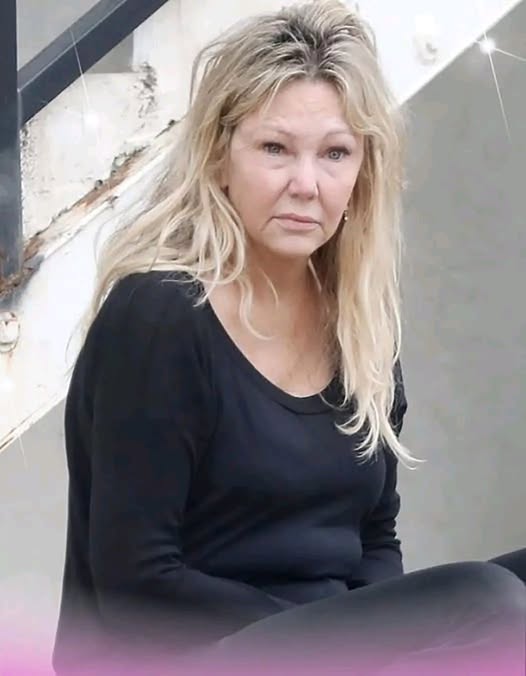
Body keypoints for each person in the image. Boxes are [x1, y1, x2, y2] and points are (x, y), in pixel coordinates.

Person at [52, 1, 526, 674]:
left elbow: (374, 540)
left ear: (362, 172)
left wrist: (378, 634)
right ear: (221, 156)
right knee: (487, 601)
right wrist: (340, 638)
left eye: (335, 153)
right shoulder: (160, 315)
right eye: (275, 148)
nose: (307, 185)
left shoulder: (359, 328)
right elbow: (135, 582)